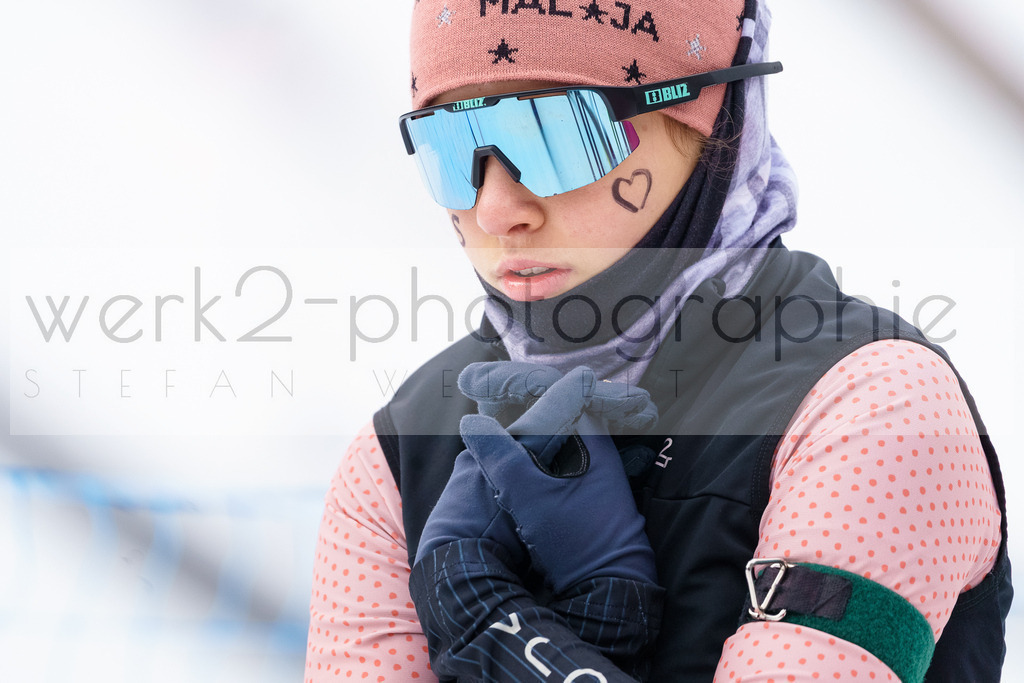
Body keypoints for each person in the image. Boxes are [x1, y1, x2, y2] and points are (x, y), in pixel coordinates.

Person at [305, 1, 1012, 681]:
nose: (495, 208)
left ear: (712, 125)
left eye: (554, 135)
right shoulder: (399, 452)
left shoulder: (872, 405)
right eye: (449, 146)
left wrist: (497, 629)